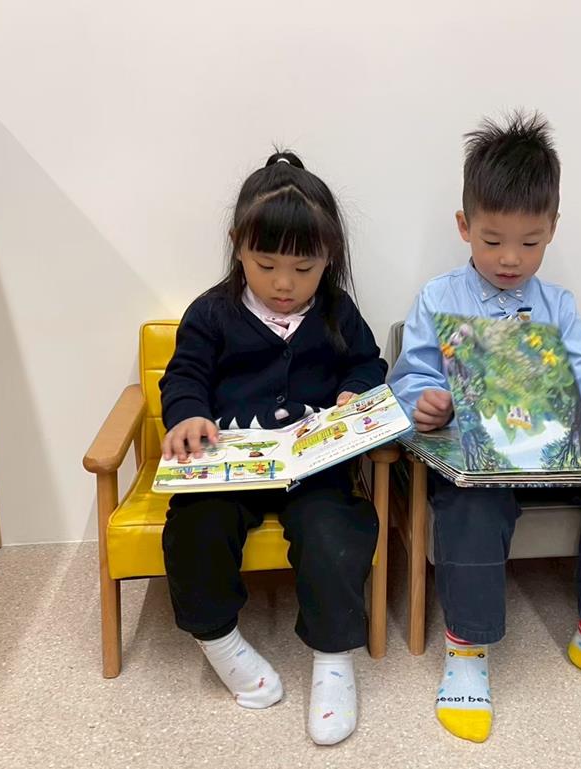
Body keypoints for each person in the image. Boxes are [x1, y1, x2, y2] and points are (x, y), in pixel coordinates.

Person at [389, 113, 581, 742]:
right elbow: (408, 378)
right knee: (470, 504)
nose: (510, 258)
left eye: (530, 242)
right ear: (464, 226)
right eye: (492, 240)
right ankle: (467, 648)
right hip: (479, 461)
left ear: (552, 229)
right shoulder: (439, 298)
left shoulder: (557, 306)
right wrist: (425, 401)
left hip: (554, 453)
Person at [159, 151, 387, 745]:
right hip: (230, 467)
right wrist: (187, 414)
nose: (284, 284)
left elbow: (368, 363)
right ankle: (220, 643)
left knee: (336, 531)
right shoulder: (212, 313)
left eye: (304, 269)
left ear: (328, 258)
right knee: (195, 528)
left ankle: (334, 660)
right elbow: (184, 374)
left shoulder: (336, 312)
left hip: (312, 469)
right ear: (237, 247)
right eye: (266, 265)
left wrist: (354, 393)